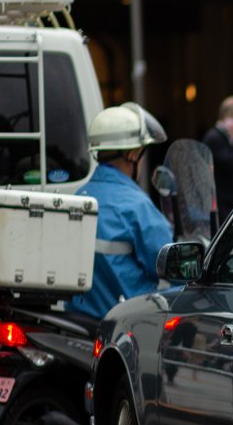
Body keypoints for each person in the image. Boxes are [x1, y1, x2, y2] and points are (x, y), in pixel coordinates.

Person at [67, 103, 174, 320]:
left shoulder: (78, 197)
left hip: (79, 320)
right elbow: (173, 267)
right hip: (128, 325)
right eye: (143, 152)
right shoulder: (137, 207)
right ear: (133, 154)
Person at [203, 95, 233, 221]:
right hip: (222, 208)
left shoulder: (230, 138)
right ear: (230, 118)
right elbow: (230, 163)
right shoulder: (214, 138)